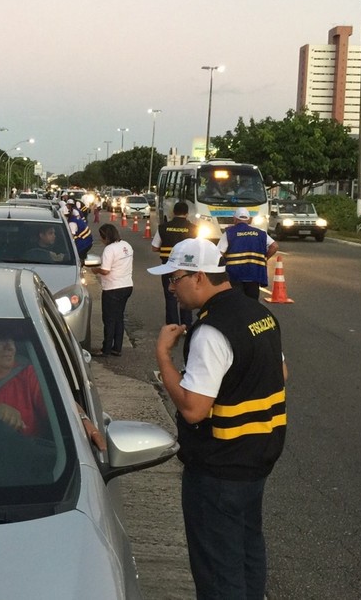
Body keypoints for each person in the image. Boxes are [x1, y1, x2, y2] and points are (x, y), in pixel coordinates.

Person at [148, 237, 287, 600]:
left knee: (218, 570)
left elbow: (194, 408)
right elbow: (281, 373)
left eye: (175, 278)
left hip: (219, 468)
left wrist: (164, 356)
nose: (170, 287)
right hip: (257, 458)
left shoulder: (210, 331)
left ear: (198, 277)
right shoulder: (259, 314)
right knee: (247, 552)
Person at [151, 201, 197, 326]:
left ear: (173, 213)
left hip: (168, 267)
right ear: (187, 214)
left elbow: (154, 247)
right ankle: (186, 325)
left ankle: (172, 325)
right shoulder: (194, 228)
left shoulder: (163, 227)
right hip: (186, 267)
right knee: (185, 295)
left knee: (170, 296)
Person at [90, 223, 133, 357]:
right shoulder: (127, 245)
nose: (101, 240)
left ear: (105, 236)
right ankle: (117, 347)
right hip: (127, 286)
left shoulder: (109, 249)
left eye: (101, 237)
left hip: (112, 288)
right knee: (118, 317)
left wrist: (95, 270)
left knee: (108, 319)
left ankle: (106, 349)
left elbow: (105, 270)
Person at [217, 207, 279, 300]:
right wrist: (263, 259)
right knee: (252, 303)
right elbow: (274, 246)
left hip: (234, 275)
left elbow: (219, 254)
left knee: (236, 303)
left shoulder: (229, 233)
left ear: (235, 219)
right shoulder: (260, 233)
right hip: (254, 274)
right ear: (249, 219)